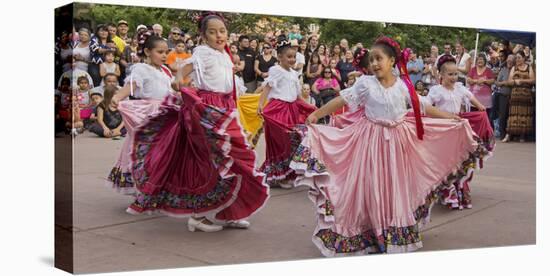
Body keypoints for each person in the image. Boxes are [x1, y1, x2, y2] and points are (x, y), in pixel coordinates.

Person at [289, 36, 488, 256]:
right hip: (371, 141)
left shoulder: (403, 86)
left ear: (392, 60)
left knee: (395, 185)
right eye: (371, 60)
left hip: (398, 142)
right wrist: (317, 113)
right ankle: (373, 230)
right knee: (372, 185)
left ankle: (392, 228)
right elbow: (343, 100)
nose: (374, 63)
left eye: (378, 59)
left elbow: (422, 107)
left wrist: (450, 118)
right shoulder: (365, 83)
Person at [123, 12, 269, 232]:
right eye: (212, 32)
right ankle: (198, 217)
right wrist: (181, 85)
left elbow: (228, 84)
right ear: (203, 35)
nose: (219, 36)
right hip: (207, 109)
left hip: (225, 109)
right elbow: (180, 75)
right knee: (208, 162)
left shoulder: (225, 55)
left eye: (222, 31)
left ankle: (232, 211)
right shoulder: (203, 53)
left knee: (238, 159)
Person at [107, 29, 175, 195]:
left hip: (166, 113)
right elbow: (131, 86)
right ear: (147, 52)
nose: (164, 56)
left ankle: (158, 185)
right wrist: (117, 97)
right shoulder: (141, 69)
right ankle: (142, 185)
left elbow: (173, 90)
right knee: (144, 149)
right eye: (160, 52)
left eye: (166, 52)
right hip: (149, 114)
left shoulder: (165, 71)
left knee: (165, 150)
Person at [426, 54, 494, 209]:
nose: (454, 77)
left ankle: (460, 189)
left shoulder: (460, 88)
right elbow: (427, 107)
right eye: (450, 74)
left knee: (460, 160)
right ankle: (448, 191)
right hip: (443, 130)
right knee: (446, 162)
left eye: (456, 73)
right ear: (441, 75)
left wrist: (480, 107)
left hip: (459, 129)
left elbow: (470, 97)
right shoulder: (436, 91)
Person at [257, 38, 316, 189]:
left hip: (292, 110)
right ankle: (279, 175)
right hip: (278, 110)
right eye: (289, 56)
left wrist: (308, 105)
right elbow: (268, 88)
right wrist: (260, 104)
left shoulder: (294, 74)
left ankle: (288, 173)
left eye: (294, 57)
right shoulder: (276, 70)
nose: (292, 59)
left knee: (293, 140)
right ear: (280, 57)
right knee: (281, 140)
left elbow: (297, 95)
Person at [502, 51, 536, 143]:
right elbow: (509, 81)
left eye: (519, 57)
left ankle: (522, 135)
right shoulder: (514, 68)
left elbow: (533, 80)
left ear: (524, 58)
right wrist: (514, 81)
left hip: (525, 95)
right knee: (513, 114)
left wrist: (521, 80)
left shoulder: (529, 68)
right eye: (516, 58)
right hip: (515, 94)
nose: (517, 59)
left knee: (524, 115)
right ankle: (509, 134)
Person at [467, 54, 496, 128]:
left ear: (485, 61)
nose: (480, 61)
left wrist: (484, 80)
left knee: (486, 116)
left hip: (485, 100)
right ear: (476, 61)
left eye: (482, 59)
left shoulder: (488, 70)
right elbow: (468, 80)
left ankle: (485, 134)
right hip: (474, 99)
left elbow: (492, 80)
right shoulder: (473, 69)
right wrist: (477, 81)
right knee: (474, 116)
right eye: (479, 59)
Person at [494, 54, 515, 140]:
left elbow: (514, 83)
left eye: (511, 60)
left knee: (512, 115)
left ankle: (511, 135)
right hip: (503, 95)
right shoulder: (503, 70)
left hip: (513, 96)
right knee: (503, 115)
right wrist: (505, 83)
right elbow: (497, 83)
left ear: (514, 62)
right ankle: (503, 134)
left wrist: (506, 83)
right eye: (508, 60)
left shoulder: (515, 70)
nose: (509, 61)